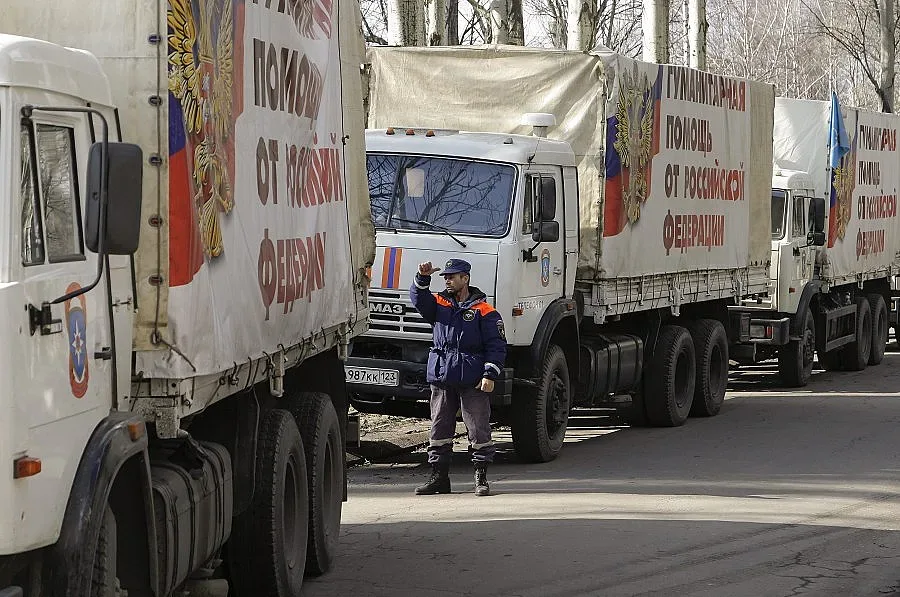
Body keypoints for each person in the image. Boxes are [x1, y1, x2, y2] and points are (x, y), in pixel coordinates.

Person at [410, 258, 507, 497]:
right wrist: (422, 278)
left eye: (452, 277)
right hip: (443, 375)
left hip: (472, 378)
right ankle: (439, 478)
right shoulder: (439, 304)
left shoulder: (484, 311)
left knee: (478, 429)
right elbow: (418, 300)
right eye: (445, 277)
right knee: (439, 427)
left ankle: (481, 478)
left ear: (465, 278)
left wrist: (489, 373)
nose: (447, 280)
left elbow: (496, 345)